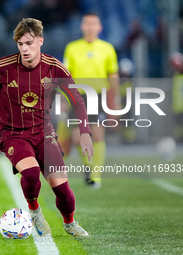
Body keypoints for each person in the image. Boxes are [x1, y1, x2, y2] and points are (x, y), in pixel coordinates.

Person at [0, 18, 93, 237]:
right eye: (20, 44)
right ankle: (34, 210)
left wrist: (85, 132)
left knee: (63, 191)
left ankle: (69, 223)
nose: (24, 49)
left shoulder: (55, 68)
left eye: (29, 43)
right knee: (30, 174)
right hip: (13, 133)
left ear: (40, 41)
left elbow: (76, 99)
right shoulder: (2, 67)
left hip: (44, 133)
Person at [57, 12, 120, 189]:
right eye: (87, 23)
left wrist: (115, 101)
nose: (90, 27)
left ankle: (95, 176)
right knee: (77, 138)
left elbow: (113, 75)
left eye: (94, 24)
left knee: (98, 134)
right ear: (82, 26)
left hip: (97, 95)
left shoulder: (107, 48)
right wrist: (62, 99)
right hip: (76, 96)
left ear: (100, 27)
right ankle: (89, 165)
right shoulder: (72, 48)